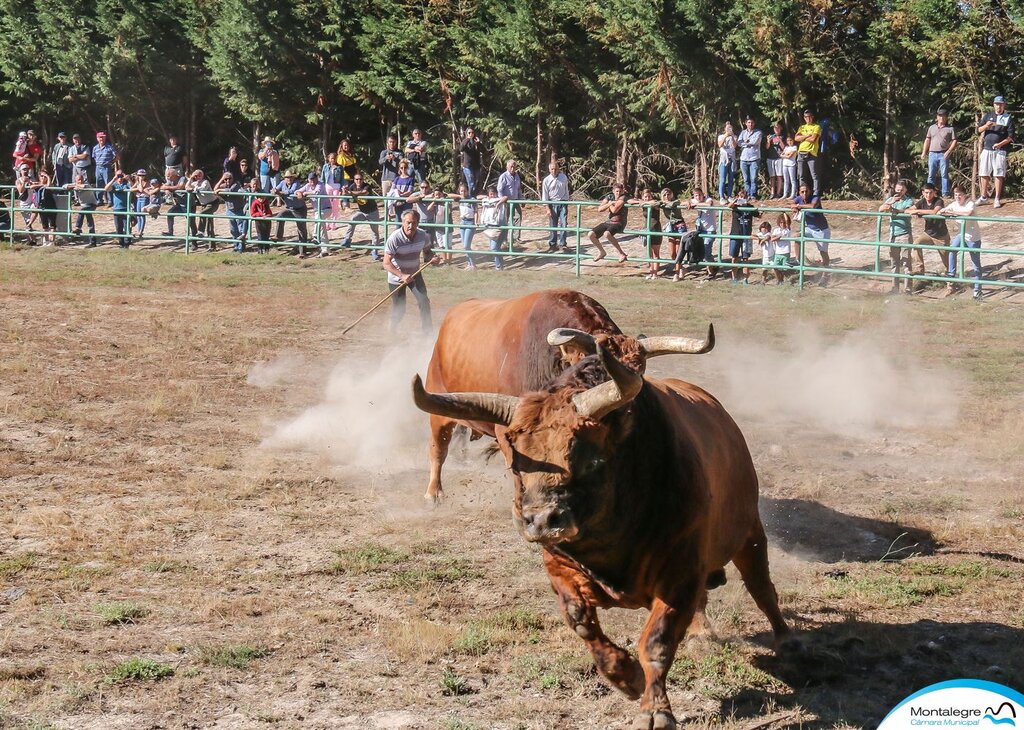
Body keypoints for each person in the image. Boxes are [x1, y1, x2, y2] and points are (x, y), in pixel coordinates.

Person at [382, 209, 441, 334]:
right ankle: (391, 328)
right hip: (396, 278)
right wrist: (401, 275)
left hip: (415, 274)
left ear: (418, 223)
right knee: (400, 309)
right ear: (403, 222)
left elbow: (427, 254)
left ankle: (427, 332)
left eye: (414, 223)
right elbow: (386, 263)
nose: (411, 226)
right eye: (408, 222)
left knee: (424, 301)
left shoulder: (423, 236)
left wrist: (433, 258)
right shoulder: (394, 239)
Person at [939, 185, 983, 299]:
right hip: (961, 234)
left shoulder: (970, 203)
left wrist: (952, 212)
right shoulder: (954, 204)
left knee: (976, 264)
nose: (958, 197)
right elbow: (942, 211)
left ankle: (977, 290)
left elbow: (968, 213)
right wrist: (945, 211)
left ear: (965, 195)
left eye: (960, 195)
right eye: (956, 195)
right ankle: (952, 273)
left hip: (973, 237)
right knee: (952, 250)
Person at [908, 182, 951, 280]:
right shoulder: (922, 201)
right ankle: (920, 269)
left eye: (930, 192)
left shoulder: (938, 201)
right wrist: (912, 211)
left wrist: (918, 211)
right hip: (928, 233)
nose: (928, 195)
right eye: (926, 193)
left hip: (941, 236)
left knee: (946, 261)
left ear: (934, 192)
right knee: (916, 244)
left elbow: (934, 212)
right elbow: (909, 209)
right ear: (923, 193)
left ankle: (951, 284)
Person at [878, 179, 915, 293]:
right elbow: (880, 209)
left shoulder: (909, 200)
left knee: (906, 263)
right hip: (893, 235)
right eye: (897, 190)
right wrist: (890, 203)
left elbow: (908, 211)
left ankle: (908, 288)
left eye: (901, 190)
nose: (899, 192)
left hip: (905, 234)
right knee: (894, 263)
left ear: (905, 190)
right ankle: (895, 288)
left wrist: (894, 210)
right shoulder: (891, 199)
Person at [791, 184, 832, 283]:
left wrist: (798, 206)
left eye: (806, 191)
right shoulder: (798, 199)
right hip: (809, 228)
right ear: (799, 193)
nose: (804, 194)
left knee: (823, 253)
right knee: (797, 237)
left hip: (821, 230)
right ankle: (798, 260)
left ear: (810, 191)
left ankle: (825, 275)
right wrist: (794, 207)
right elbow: (790, 203)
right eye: (802, 192)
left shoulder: (815, 198)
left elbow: (813, 206)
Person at [977, 96, 1013, 208]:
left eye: (1001, 104)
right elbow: (978, 130)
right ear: (994, 105)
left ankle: (997, 198)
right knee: (984, 173)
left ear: (1004, 105)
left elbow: (1010, 137)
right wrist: (986, 126)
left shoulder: (1008, 118)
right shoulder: (988, 115)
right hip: (987, 149)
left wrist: (1000, 144)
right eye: (997, 104)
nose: (999, 106)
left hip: (1000, 150)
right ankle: (983, 196)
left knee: (998, 174)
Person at [340, 173, 382, 258]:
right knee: (352, 220)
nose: (358, 181)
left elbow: (364, 192)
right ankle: (347, 239)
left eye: (360, 179)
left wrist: (350, 192)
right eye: (356, 179)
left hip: (372, 212)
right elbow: (345, 195)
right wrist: (344, 191)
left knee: (374, 232)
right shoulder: (352, 186)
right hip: (362, 212)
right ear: (354, 180)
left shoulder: (367, 186)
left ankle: (375, 251)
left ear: (363, 180)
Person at [589, 183, 629, 262]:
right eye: (617, 191)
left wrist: (609, 204)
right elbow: (600, 209)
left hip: (619, 222)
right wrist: (610, 203)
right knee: (591, 234)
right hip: (609, 221)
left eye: (620, 191)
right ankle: (602, 252)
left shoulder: (623, 197)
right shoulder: (610, 197)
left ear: (623, 191)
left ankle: (621, 253)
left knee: (607, 234)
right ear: (613, 191)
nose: (618, 193)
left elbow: (614, 210)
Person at [921, 109, 957, 197]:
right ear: (937, 117)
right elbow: (927, 139)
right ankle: (929, 193)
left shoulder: (950, 129)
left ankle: (945, 193)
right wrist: (924, 152)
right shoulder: (931, 127)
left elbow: (955, 141)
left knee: (944, 174)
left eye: (944, 116)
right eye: (940, 116)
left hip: (943, 154)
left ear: (946, 117)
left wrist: (949, 151)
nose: (942, 118)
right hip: (932, 154)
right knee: (931, 174)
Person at [726, 192, 760, 283]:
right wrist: (736, 201)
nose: (742, 198)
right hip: (735, 234)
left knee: (746, 258)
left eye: (744, 197)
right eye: (741, 197)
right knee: (734, 257)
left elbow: (759, 215)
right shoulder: (735, 206)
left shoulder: (750, 207)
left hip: (747, 236)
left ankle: (745, 279)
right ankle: (734, 278)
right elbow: (728, 206)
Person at [273, 170, 309, 254]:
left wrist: (280, 193)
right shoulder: (282, 183)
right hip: (289, 208)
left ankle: (302, 250)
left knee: (301, 229)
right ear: (284, 178)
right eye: (287, 177)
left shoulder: (296, 183)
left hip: (300, 209)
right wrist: (274, 190)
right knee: (279, 216)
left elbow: (292, 191)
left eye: (290, 177)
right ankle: (278, 236)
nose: (288, 179)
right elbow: (276, 189)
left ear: (293, 178)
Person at [629, 188, 662, 280]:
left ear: (651, 196)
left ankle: (655, 273)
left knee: (656, 253)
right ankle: (651, 272)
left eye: (649, 196)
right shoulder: (642, 202)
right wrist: (640, 201)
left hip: (656, 229)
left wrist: (644, 203)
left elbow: (656, 203)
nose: (647, 198)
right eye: (645, 197)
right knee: (649, 253)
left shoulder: (654, 202)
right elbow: (629, 200)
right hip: (647, 229)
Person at [297, 171, 331, 257]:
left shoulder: (320, 184)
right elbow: (298, 191)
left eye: (313, 178)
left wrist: (306, 193)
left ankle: (315, 236)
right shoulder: (307, 185)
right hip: (317, 210)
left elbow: (317, 192)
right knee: (322, 227)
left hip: (326, 209)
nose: (312, 181)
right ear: (308, 179)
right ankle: (325, 249)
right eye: (310, 179)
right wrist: (299, 193)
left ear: (316, 178)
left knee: (318, 218)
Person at [186, 169, 220, 249]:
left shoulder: (205, 182)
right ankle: (212, 246)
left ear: (202, 175)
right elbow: (186, 186)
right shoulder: (194, 183)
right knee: (210, 225)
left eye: (199, 175)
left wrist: (193, 189)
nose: (198, 177)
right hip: (204, 205)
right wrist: (191, 178)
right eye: (196, 176)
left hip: (212, 203)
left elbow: (203, 189)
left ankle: (201, 231)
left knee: (202, 214)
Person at [214, 171, 249, 250]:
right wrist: (221, 179)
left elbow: (230, 191)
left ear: (232, 178)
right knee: (233, 230)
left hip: (239, 210)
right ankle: (235, 246)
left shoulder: (236, 184)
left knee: (241, 230)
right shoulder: (224, 185)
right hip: (230, 210)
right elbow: (215, 189)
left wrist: (220, 190)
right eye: (226, 179)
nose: (228, 180)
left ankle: (241, 247)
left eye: (229, 178)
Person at [541, 160, 570, 252]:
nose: (554, 171)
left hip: (563, 203)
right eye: (552, 169)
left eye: (556, 169)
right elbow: (545, 195)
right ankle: (553, 244)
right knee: (553, 225)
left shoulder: (563, 177)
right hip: (552, 203)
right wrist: (547, 208)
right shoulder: (546, 180)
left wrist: (566, 201)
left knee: (563, 224)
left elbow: (566, 190)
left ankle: (563, 244)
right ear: (550, 170)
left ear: (558, 169)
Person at [479, 184, 509, 270]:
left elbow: (505, 197)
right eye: (490, 194)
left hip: (500, 226)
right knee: (494, 248)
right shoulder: (487, 200)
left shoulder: (499, 199)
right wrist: (486, 197)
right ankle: (499, 265)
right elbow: (477, 197)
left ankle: (499, 266)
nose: (492, 195)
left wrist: (498, 204)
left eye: (493, 193)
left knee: (494, 247)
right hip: (490, 226)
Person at [794, 110, 822, 196]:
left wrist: (802, 137)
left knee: (814, 175)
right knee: (801, 175)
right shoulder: (801, 127)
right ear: (804, 118)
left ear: (812, 117)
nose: (808, 118)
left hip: (811, 154)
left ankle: (816, 193)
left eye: (809, 116)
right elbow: (796, 138)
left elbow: (813, 139)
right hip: (801, 153)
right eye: (806, 117)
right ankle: (803, 193)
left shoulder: (816, 127)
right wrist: (807, 136)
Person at [452, 181, 478, 269]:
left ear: (468, 191)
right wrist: (460, 196)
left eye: (465, 191)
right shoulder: (459, 198)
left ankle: (473, 263)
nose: (463, 192)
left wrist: (476, 222)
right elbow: (448, 195)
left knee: (467, 245)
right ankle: (469, 264)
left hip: (470, 222)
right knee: (465, 245)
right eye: (461, 191)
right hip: (462, 222)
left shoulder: (472, 199)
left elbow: (476, 212)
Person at [103, 170, 133, 247]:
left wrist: (128, 179)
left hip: (126, 208)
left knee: (127, 226)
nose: (120, 177)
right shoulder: (114, 184)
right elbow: (106, 189)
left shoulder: (126, 184)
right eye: (118, 176)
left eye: (121, 176)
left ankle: (127, 242)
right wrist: (113, 179)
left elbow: (133, 188)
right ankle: (121, 242)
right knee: (118, 227)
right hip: (117, 209)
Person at [67, 172, 98, 243]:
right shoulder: (75, 184)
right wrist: (73, 186)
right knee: (89, 220)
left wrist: (75, 186)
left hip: (91, 204)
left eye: (81, 179)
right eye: (78, 180)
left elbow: (83, 187)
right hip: (84, 206)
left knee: (83, 212)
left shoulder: (87, 185)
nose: (80, 181)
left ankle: (78, 228)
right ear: (75, 180)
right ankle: (92, 240)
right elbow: (64, 186)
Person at [496, 159, 522, 243]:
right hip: (506, 202)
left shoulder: (517, 176)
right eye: (511, 166)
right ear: (507, 167)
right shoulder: (503, 176)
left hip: (515, 201)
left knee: (518, 217)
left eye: (514, 166)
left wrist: (521, 199)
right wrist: (502, 200)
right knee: (505, 220)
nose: (513, 168)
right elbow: (499, 190)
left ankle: (516, 238)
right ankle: (504, 239)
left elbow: (518, 189)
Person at [659, 187, 687, 264]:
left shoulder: (676, 201)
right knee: (672, 253)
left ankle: (678, 271)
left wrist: (664, 203)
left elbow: (672, 204)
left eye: (668, 194)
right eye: (664, 195)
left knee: (678, 251)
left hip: (679, 225)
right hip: (670, 226)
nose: (666, 197)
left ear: (671, 195)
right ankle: (680, 268)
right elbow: (655, 203)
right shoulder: (662, 203)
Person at [737, 117, 762, 198]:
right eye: (749, 122)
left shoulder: (758, 132)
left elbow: (755, 142)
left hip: (754, 159)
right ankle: (746, 195)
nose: (750, 124)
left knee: (753, 178)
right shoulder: (743, 132)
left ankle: (753, 195)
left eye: (752, 122)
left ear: (754, 124)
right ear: (746, 123)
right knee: (746, 179)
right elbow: (738, 143)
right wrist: (747, 143)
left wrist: (745, 143)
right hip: (743, 159)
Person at [92, 131, 119, 205]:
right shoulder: (95, 148)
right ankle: (99, 200)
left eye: (103, 137)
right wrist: (98, 163)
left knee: (108, 184)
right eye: (100, 137)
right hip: (98, 167)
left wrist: (111, 162)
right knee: (99, 184)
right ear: (97, 138)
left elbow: (117, 156)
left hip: (106, 167)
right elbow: (94, 157)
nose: (102, 139)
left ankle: (110, 201)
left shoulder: (109, 147)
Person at [160, 168, 188, 237]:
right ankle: (170, 232)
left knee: (190, 220)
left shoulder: (182, 178)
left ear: (174, 175)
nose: (167, 178)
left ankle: (194, 237)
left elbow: (180, 187)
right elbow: (162, 187)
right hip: (179, 204)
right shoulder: (170, 181)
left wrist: (168, 188)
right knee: (170, 213)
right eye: (167, 176)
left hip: (188, 204)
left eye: (169, 176)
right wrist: (167, 189)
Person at [248, 176, 273, 254]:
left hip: (266, 219)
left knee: (266, 233)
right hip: (258, 219)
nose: (262, 199)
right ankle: (260, 248)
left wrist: (267, 216)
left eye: (263, 197)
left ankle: (266, 248)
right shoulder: (255, 202)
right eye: (261, 197)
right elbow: (252, 213)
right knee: (260, 234)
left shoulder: (265, 202)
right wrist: (260, 215)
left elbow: (269, 211)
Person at [33, 169, 58, 246]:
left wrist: (48, 177)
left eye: (44, 176)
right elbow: (32, 186)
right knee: (45, 225)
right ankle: (46, 240)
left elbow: (49, 185)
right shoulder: (37, 184)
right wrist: (42, 185)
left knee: (52, 225)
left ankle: (52, 241)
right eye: (41, 176)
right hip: (42, 207)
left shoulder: (51, 184)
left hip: (51, 206)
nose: (43, 178)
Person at [770, 213, 793, 284]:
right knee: (775, 268)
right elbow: (772, 239)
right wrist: (779, 236)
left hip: (785, 252)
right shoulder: (776, 230)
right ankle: (779, 280)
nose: (783, 224)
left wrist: (784, 213)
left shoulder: (787, 230)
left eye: (784, 223)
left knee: (784, 269)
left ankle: (783, 281)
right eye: (781, 222)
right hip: (778, 252)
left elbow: (788, 222)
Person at [717, 122, 737, 202]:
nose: (729, 129)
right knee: (722, 179)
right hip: (723, 160)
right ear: (724, 129)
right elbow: (720, 145)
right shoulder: (721, 136)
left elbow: (735, 146)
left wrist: (731, 136)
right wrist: (726, 135)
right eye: (728, 128)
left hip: (732, 159)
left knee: (731, 179)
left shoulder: (734, 136)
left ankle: (729, 196)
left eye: (730, 128)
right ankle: (721, 197)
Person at [765, 122, 785, 199]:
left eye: (778, 127)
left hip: (779, 158)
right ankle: (772, 192)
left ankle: (779, 193)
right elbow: (767, 147)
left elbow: (784, 148)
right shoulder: (770, 136)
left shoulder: (783, 136)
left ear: (781, 128)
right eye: (775, 128)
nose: (776, 129)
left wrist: (780, 140)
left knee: (779, 176)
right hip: (770, 158)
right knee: (772, 176)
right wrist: (768, 141)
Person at [460, 127, 482, 194]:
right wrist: (467, 139)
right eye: (469, 133)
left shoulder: (476, 142)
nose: (471, 134)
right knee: (471, 183)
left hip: (476, 166)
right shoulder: (465, 141)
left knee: (476, 183)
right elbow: (461, 148)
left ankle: (473, 196)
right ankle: (471, 198)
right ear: (466, 134)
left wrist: (478, 143)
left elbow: (484, 150)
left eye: (472, 132)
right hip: (468, 166)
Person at [781, 134, 799, 199]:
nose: (789, 142)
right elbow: (781, 155)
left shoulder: (794, 147)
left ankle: (793, 194)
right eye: (788, 140)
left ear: (793, 140)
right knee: (786, 180)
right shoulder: (786, 148)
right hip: (785, 164)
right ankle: (785, 194)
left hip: (791, 165)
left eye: (790, 140)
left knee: (792, 180)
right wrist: (786, 155)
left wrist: (785, 155)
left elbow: (789, 156)